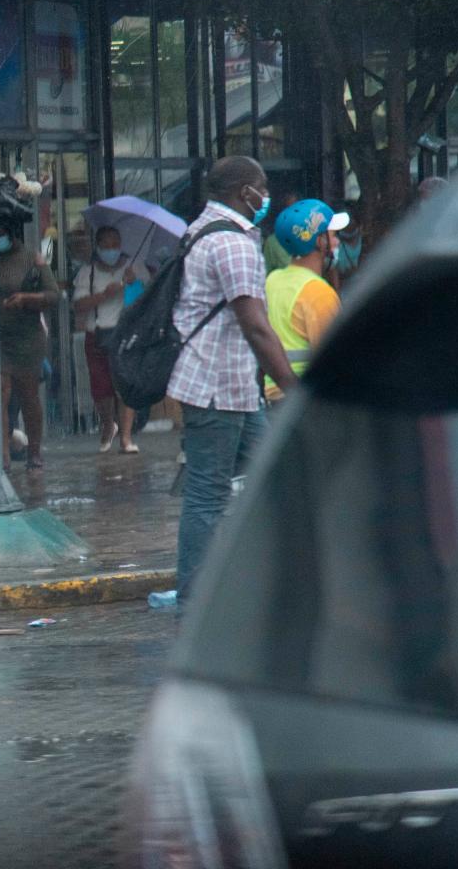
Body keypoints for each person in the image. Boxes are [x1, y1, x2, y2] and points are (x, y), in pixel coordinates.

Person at [168, 156, 300, 602]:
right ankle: (195, 599)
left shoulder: (201, 230)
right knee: (208, 494)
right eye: (261, 188)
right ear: (245, 192)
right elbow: (256, 325)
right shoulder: (232, 243)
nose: (265, 197)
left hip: (234, 389)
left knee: (275, 478)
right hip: (216, 386)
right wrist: (294, 387)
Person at [262, 199, 347, 403]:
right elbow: (332, 362)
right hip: (305, 401)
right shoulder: (319, 293)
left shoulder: (272, 280)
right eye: (334, 236)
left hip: (271, 396)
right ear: (320, 242)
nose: (337, 242)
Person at [0, 192, 59, 472]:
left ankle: (35, 450)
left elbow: (53, 295)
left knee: (29, 397)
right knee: (1, 394)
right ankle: (3, 456)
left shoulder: (31, 259)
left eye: (1, 231)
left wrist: (25, 299)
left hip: (27, 340)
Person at [72, 226, 137, 454]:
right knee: (101, 389)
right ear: (98, 247)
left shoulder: (131, 269)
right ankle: (109, 425)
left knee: (125, 387)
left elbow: (146, 296)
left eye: (115, 245)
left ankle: (126, 438)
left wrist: (134, 282)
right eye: (106, 246)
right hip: (97, 334)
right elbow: (78, 306)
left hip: (124, 334)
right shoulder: (86, 273)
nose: (111, 250)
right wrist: (104, 295)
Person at [260, 188, 303, 273]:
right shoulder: (272, 242)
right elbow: (266, 275)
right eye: (288, 209)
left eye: (296, 209)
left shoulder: (311, 236)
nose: (292, 214)